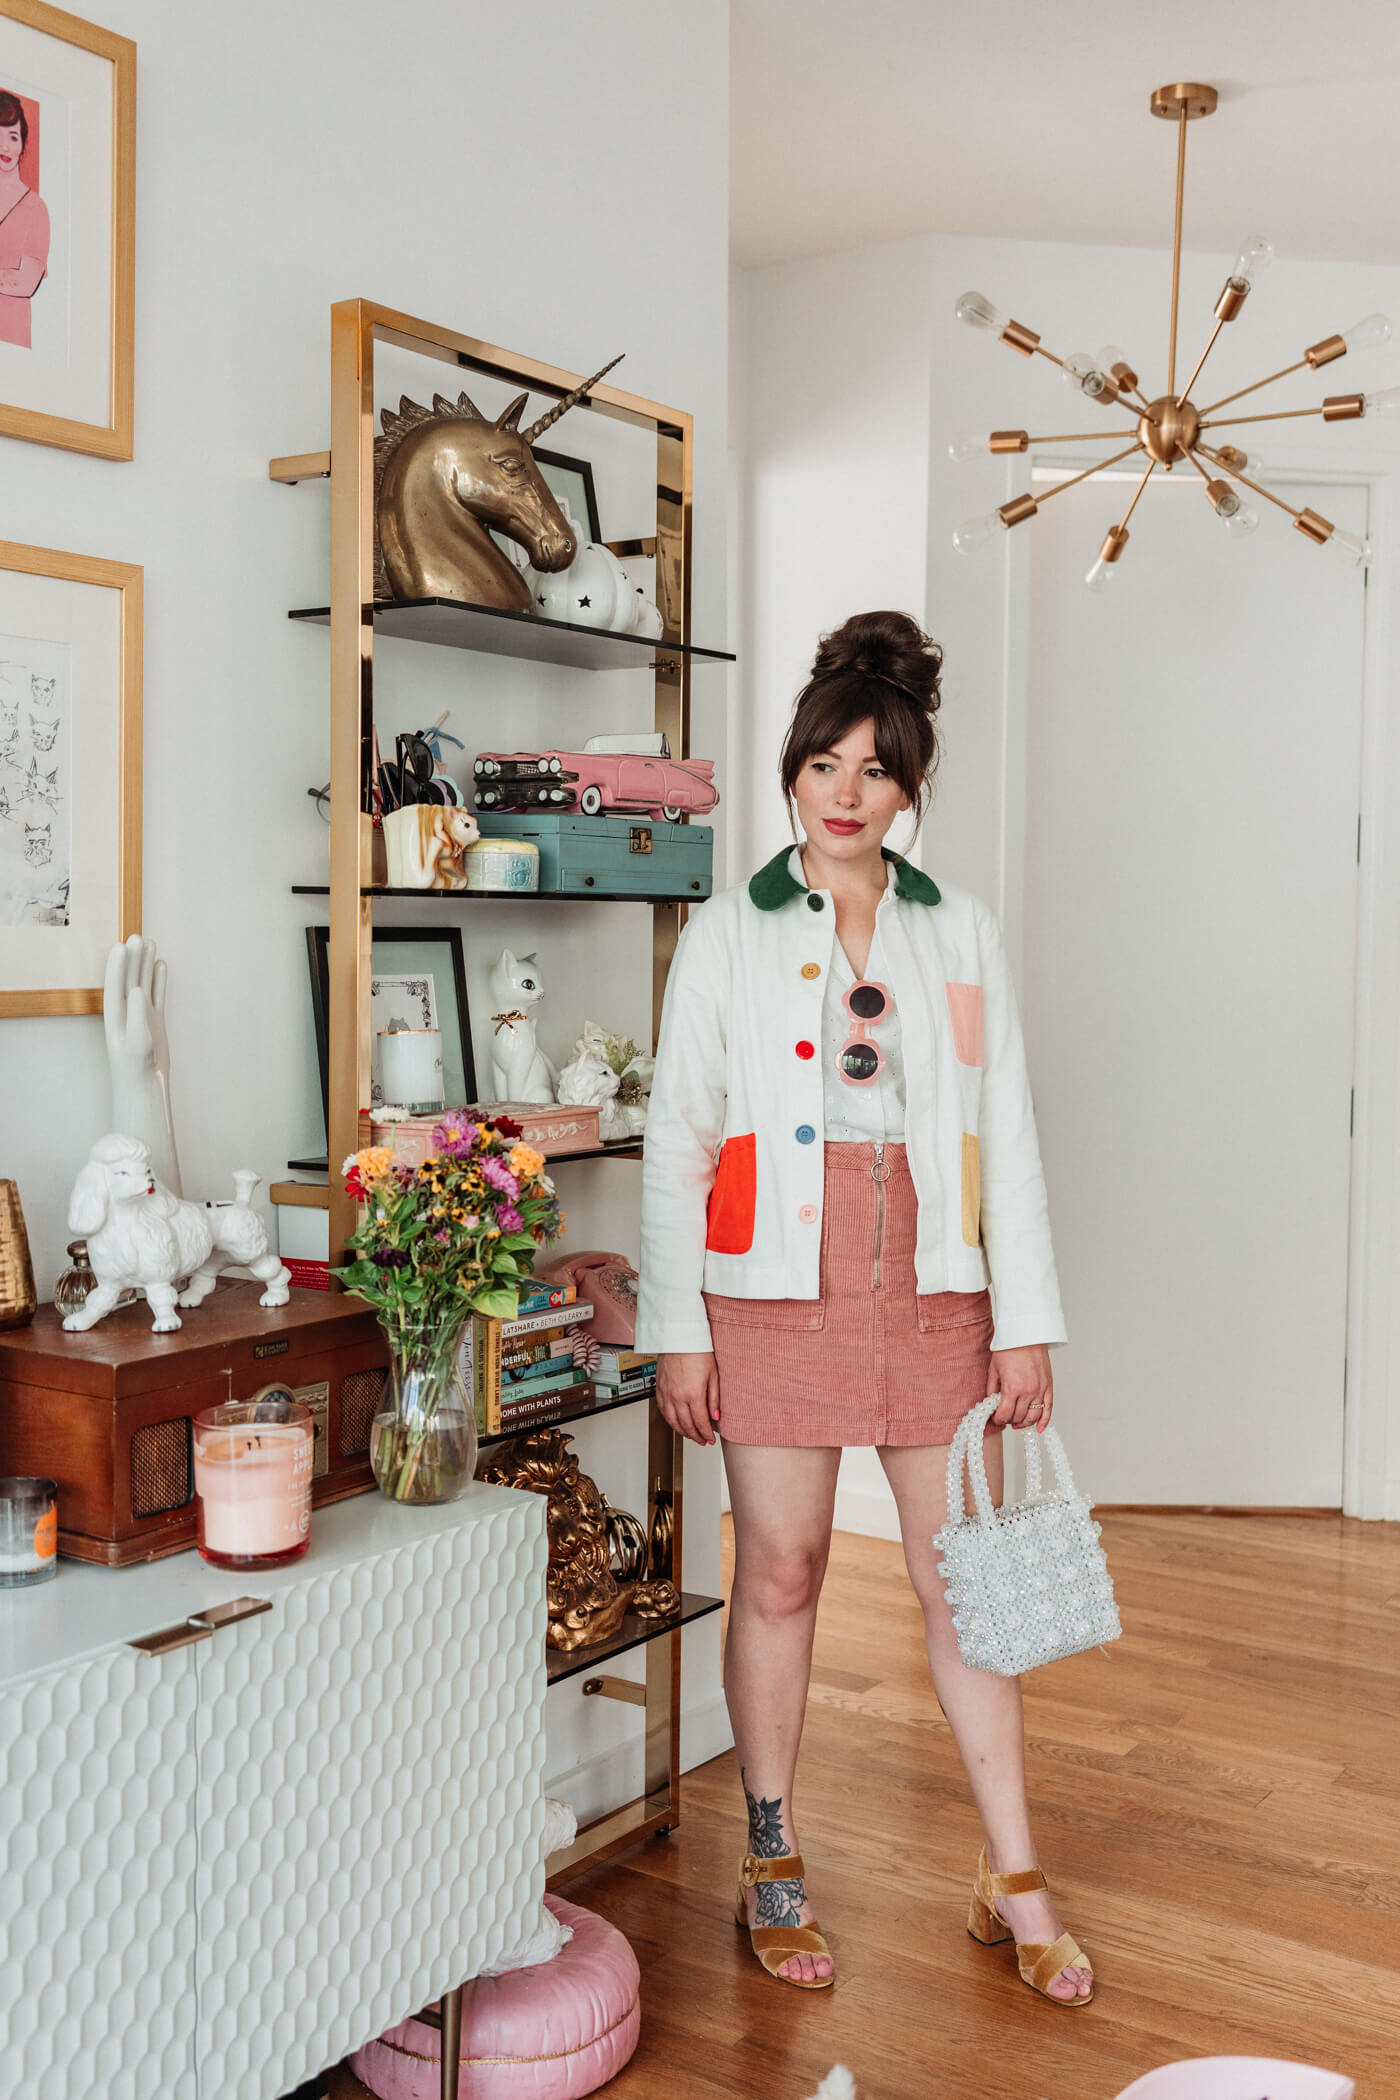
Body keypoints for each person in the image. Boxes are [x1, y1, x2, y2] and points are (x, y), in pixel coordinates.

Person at [634, 610, 1093, 2004]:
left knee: (968, 1587)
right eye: (823, 763)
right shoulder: (728, 929)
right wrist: (678, 1326)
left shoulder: (957, 928)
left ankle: (1010, 1871)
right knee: (783, 1569)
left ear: (906, 791)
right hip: (770, 1286)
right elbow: (678, 1135)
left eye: (874, 772)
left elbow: (1004, 1123)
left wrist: (1026, 1317)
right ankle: (772, 1853)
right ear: (791, 769)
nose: (844, 793)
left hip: (934, 1281)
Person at [0, 91, 50, 351]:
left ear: (23, 146)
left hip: (11, 342)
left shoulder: (35, 209)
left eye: (13, 136)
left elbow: (27, 281)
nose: (5, 146)